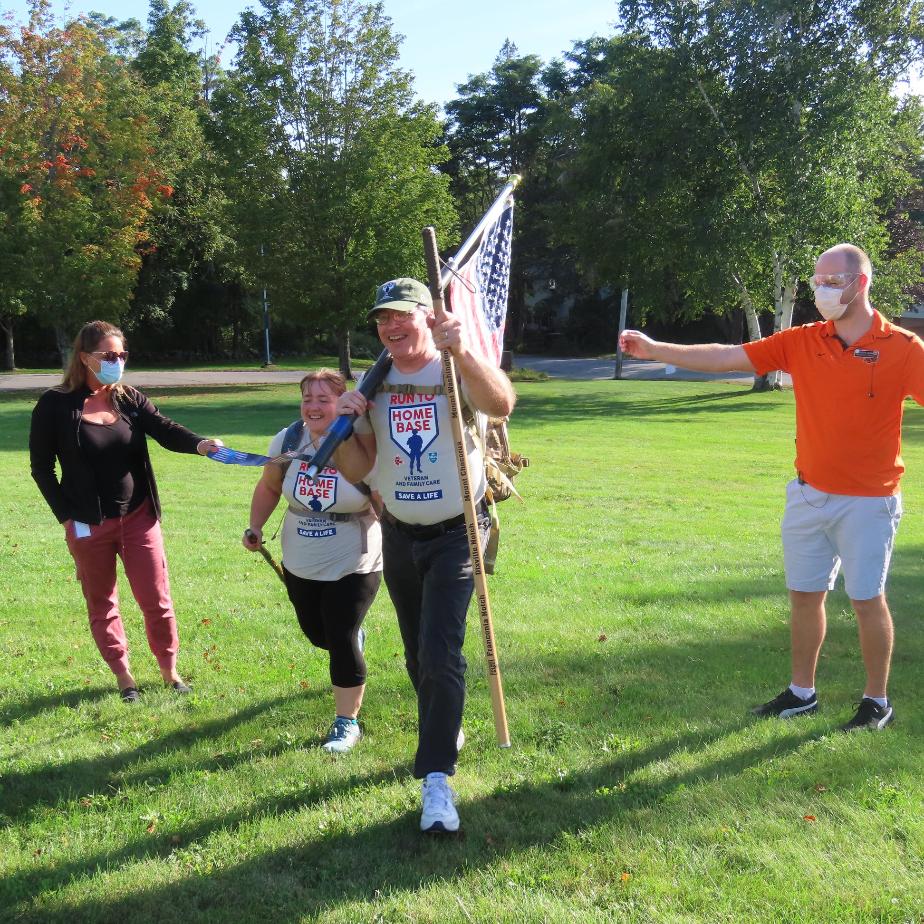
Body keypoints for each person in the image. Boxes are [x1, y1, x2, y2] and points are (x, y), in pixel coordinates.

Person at [620, 243, 924, 732]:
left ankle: (876, 701)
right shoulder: (803, 340)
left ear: (860, 283)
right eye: (817, 281)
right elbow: (728, 356)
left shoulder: (904, 349)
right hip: (807, 494)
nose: (820, 290)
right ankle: (802, 693)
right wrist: (656, 350)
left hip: (870, 501)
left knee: (868, 599)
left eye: (832, 281)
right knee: (805, 595)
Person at [332, 277, 516, 833]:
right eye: (382, 319)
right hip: (400, 533)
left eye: (401, 316)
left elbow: (501, 402)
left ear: (426, 317)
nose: (390, 327)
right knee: (417, 654)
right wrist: (344, 422)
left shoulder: (454, 366)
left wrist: (460, 349)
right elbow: (359, 468)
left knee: (441, 652)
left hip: (459, 531)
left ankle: (437, 780)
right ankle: (446, 721)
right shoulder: (376, 379)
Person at [29, 320, 224, 702]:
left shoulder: (128, 398)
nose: (117, 361)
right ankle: (124, 678)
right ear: (85, 358)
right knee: (102, 604)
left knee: (157, 600)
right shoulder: (54, 405)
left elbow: (164, 429)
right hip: (88, 522)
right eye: (109, 355)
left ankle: (170, 672)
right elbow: (41, 468)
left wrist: (200, 445)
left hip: (139, 517)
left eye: (122, 355)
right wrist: (67, 517)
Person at [243, 369, 382, 754]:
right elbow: (270, 486)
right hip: (301, 556)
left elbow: (382, 495)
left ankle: (346, 723)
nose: (314, 406)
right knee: (317, 633)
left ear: (344, 402)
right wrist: (255, 526)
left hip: (356, 556)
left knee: (339, 634)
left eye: (324, 398)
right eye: (307, 398)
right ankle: (353, 638)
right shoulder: (289, 439)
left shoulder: (362, 440)